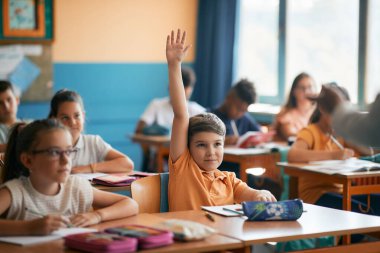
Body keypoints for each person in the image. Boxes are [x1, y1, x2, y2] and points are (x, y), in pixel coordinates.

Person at [166, 29, 276, 212]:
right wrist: (174, 65)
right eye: (201, 145)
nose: (211, 152)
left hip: (222, 239)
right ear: (188, 147)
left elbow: (250, 193)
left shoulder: (229, 180)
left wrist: (259, 193)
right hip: (189, 238)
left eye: (217, 144)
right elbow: (181, 115)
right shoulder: (183, 167)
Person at [0, 119, 138, 235]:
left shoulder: (76, 187)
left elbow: (130, 204)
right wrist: (29, 228)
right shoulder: (15, 192)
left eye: (69, 151)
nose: (66, 161)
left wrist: (97, 216)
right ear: (28, 160)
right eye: (54, 152)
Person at [287, 84, 378, 216]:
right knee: (362, 213)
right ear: (323, 110)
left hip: (341, 192)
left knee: (376, 204)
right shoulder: (311, 131)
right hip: (316, 196)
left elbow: (368, 151)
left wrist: (352, 134)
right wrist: (334, 155)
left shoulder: (341, 134)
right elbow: (293, 155)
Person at [48, 89, 134, 174]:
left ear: (83, 116)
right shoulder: (47, 146)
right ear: (54, 119)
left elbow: (127, 164)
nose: (72, 122)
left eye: (77, 116)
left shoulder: (93, 142)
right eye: (65, 118)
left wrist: (87, 168)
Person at [135, 66, 205, 133]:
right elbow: (139, 129)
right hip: (160, 145)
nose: (179, 98)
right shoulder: (157, 104)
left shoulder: (197, 111)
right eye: (178, 92)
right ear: (169, 88)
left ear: (190, 90)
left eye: (184, 93)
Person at [209, 79, 261, 146]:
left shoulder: (244, 119)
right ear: (229, 97)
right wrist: (221, 141)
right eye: (238, 108)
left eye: (244, 111)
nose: (240, 114)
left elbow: (259, 134)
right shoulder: (208, 118)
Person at [273, 73, 317, 141]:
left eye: (310, 87)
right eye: (302, 88)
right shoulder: (286, 116)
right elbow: (290, 135)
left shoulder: (319, 113)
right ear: (294, 91)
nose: (306, 91)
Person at [0, 81, 21, 152]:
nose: (6, 106)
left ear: (17, 100)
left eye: (9, 100)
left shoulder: (31, 124)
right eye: (0, 103)